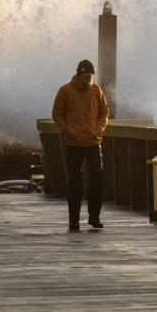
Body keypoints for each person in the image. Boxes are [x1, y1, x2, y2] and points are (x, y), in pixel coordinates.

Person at [52, 59, 110, 231]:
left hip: (93, 142)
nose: (88, 79)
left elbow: (104, 112)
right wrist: (67, 130)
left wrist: (98, 130)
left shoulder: (96, 90)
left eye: (90, 76)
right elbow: (57, 113)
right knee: (75, 182)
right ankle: (74, 220)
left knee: (96, 180)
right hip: (74, 143)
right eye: (86, 75)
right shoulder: (66, 91)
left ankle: (94, 217)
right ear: (79, 73)